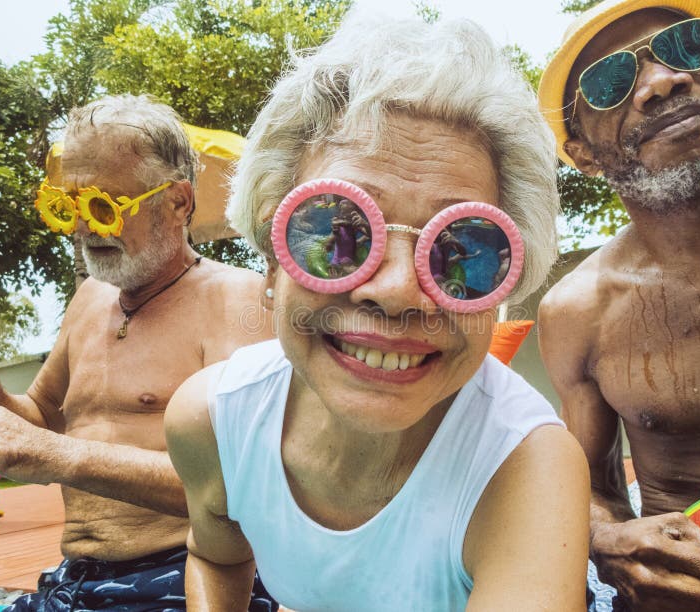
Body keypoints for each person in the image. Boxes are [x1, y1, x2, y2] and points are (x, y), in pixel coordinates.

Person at [165, 12, 591, 611]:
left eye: (463, 251)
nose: (394, 291)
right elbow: (214, 555)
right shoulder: (214, 419)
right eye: (335, 233)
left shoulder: (523, 466)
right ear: (270, 264)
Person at [536, 0, 700, 610]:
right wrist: (606, 536)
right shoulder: (578, 311)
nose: (663, 82)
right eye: (610, 82)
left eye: (687, 46)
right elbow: (592, 488)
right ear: (584, 156)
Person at [0, 94, 276, 611]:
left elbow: (241, 485)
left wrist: (53, 455)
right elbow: (40, 419)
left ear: (179, 202)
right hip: (72, 580)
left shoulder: (236, 300)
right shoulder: (89, 299)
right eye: (68, 208)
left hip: (181, 577)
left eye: (103, 207)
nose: (83, 228)